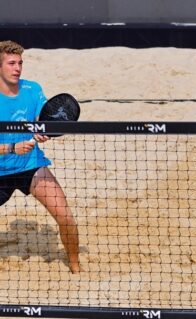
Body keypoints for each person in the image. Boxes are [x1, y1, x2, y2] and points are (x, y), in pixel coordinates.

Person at [0, 40, 81, 273]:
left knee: (65, 216)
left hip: (30, 165)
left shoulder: (32, 90)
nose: (17, 68)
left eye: (20, 63)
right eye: (11, 63)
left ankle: (76, 267)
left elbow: (46, 119)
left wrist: (42, 131)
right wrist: (11, 148)